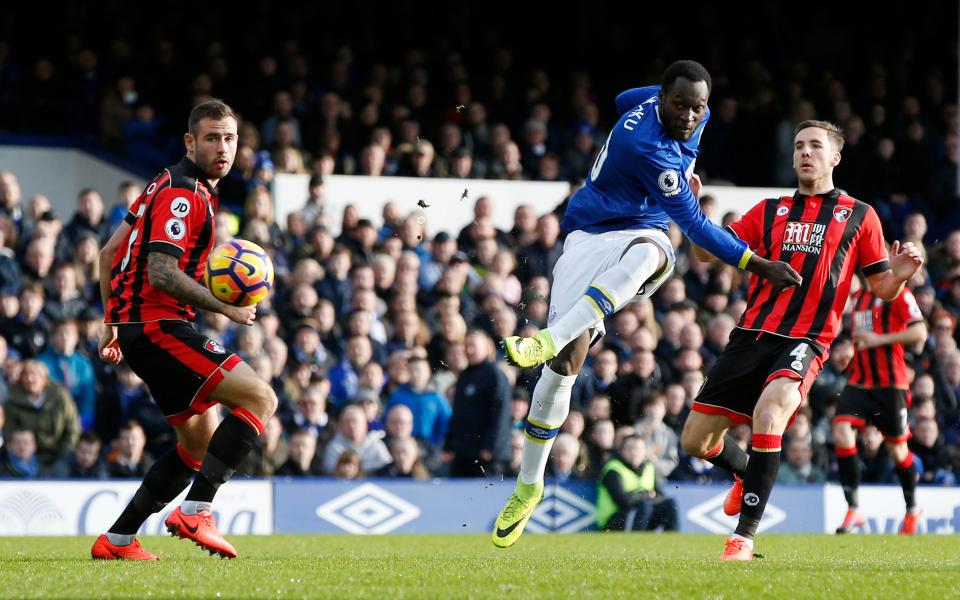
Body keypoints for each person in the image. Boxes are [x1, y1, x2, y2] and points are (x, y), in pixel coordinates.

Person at [492, 60, 801, 548]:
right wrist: (760, 265)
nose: (688, 116)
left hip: (638, 232)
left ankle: (548, 337)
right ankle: (529, 487)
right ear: (662, 98)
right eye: (679, 105)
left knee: (656, 251)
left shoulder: (654, 107)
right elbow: (698, 227)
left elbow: (620, 101)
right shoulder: (648, 149)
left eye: (697, 107)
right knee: (562, 370)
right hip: (586, 236)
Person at [678, 120, 923, 561]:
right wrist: (693, 208)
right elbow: (704, 252)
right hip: (750, 335)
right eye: (798, 146)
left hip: (805, 339)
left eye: (815, 146)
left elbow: (882, 288)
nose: (805, 152)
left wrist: (902, 275)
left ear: (835, 158)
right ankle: (745, 471)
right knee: (694, 442)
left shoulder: (860, 215)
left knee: (770, 413)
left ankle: (743, 538)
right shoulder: (769, 210)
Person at [91, 99, 278, 561]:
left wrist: (112, 323)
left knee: (197, 445)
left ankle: (116, 540)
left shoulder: (166, 182)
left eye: (230, 138)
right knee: (260, 398)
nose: (222, 147)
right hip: (159, 326)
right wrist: (227, 309)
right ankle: (197, 510)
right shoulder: (184, 194)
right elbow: (160, 272)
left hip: (141, 328)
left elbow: (108, 252)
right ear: (190, 142)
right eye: (212, 137)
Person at [833, 283, 927, 535]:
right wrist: (850, 356)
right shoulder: (858, 297)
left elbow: (919, 333)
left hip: (891, 385)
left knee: (898, 450)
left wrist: (880, 340)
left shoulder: (900, 295)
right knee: (841, 429)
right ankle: (854, 509)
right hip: (859, 381)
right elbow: (863, 337)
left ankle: (912, 508)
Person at [596, 435, 678, 532]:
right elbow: (622, 501)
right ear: (622, 451)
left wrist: (642, 496)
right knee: (644, 505)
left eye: (639, 449)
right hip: (614, 521)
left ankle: (671, 540)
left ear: (644, 451)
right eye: (630, 448)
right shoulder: (613, 469)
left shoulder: (649, 467)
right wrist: (646, 494)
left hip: (641, 514)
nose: (634, 452)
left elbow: (660, 495)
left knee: (669, 504)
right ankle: (635, 540)